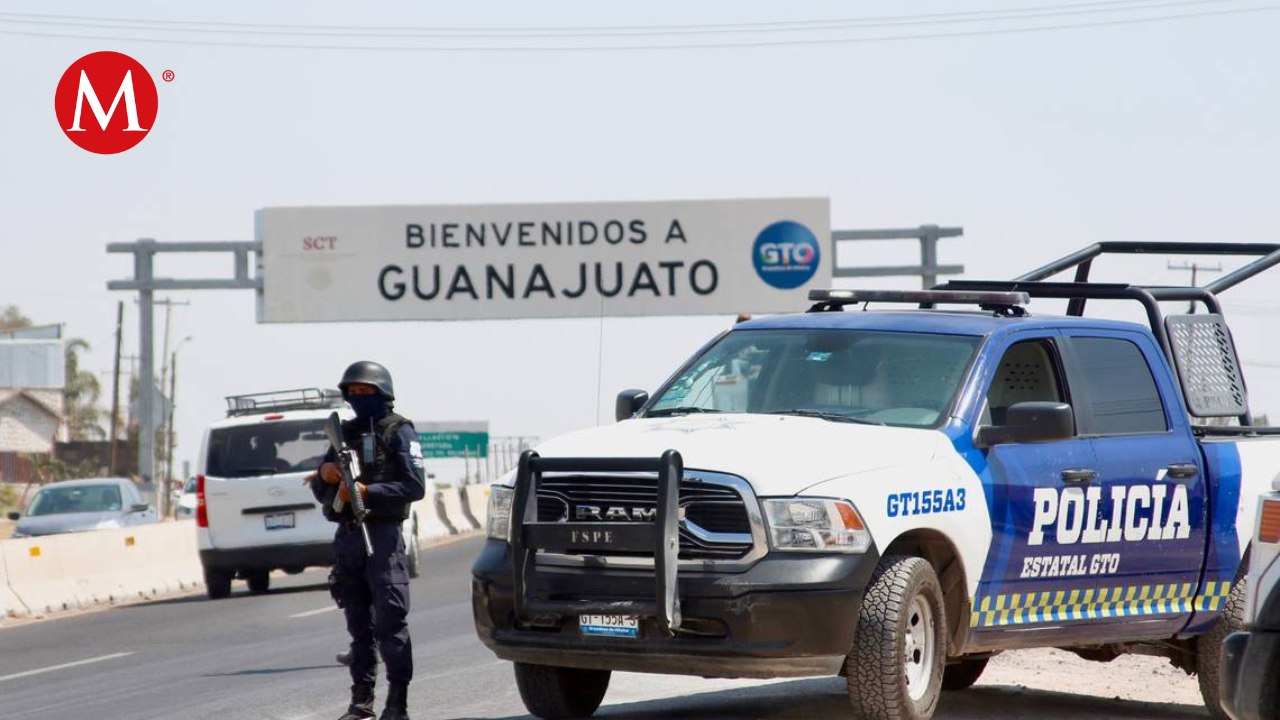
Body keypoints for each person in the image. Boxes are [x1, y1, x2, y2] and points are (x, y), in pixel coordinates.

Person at [312, 360, 426, 720]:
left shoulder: (399, 432)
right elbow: (324, 496)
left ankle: (397, 703)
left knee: (391, 624)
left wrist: (367, 490)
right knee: (359, 626)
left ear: (382, 394)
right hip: (348, 541)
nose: (360, 397)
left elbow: (414, 486)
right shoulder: (341, 435)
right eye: (354, 392)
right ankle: (361, 703)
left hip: (382, 537)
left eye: (367, 392)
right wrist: (325, 474)